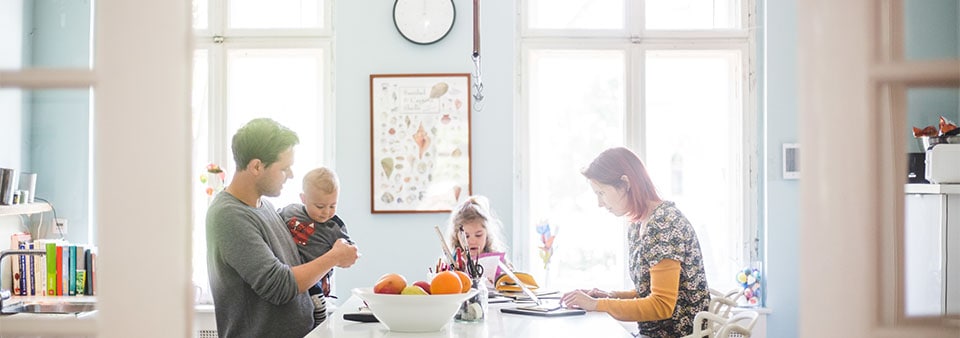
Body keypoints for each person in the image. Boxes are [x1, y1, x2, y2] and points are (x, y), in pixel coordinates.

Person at [206, 118, 359, 338]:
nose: (292, 175)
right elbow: (279, 286)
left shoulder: (266, 207)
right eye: (284, 168)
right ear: (257, 166)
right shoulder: (228, 215)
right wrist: (333, 257)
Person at [560, 147, 709, 338]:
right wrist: (607, 296)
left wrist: (597, 305)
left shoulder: (664, 223)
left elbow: (661, 305)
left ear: (625, 183)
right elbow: (647, 291)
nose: (600, 203)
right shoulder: (638, 224)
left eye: (601, 193)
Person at [278, 167, 353, 327]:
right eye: (320, 206)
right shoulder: (290, 212)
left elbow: (346, 248)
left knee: (316, 303)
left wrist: (348, 252)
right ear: (303, 198)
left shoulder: (334, 227)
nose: (326, 212)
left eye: (332, 206)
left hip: (316, 276)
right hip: (292, 271)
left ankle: (321, 325)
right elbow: (273, 222)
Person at [445, 195, 508, 285]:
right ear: (456, 236)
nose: (472, 241)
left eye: (478, 235)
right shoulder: (450, 262)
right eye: (466, 236)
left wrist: (507, 277)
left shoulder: (500, 262)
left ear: (487, 234)